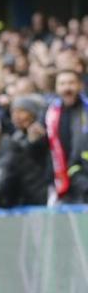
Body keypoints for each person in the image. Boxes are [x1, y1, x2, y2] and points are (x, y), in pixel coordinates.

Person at [45, 69, 88, 204]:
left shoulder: (85, 108)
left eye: (71, 83)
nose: (67, 88)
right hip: (62, 181)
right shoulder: (50, 112)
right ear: (57, 88)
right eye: (62, 84)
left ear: (80, 85)